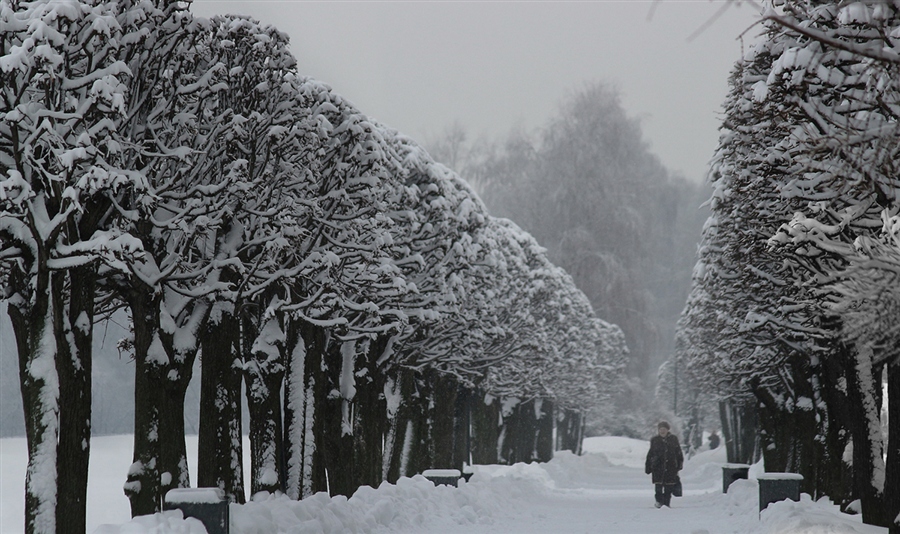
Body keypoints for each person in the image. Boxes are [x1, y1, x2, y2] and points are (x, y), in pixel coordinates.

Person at [644, 421, 683, 508]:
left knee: (668, 487)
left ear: (667, 430)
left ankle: (666, 503)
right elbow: (650, 453)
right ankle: (659, 502)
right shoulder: (655, 440)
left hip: (671, 467)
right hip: (657, 467)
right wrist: (648, 466)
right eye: (660, 429)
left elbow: (678, 453)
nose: (662, 431)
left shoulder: (673, 439)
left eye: (664, 429)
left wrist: (679, 464)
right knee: (658, 487)